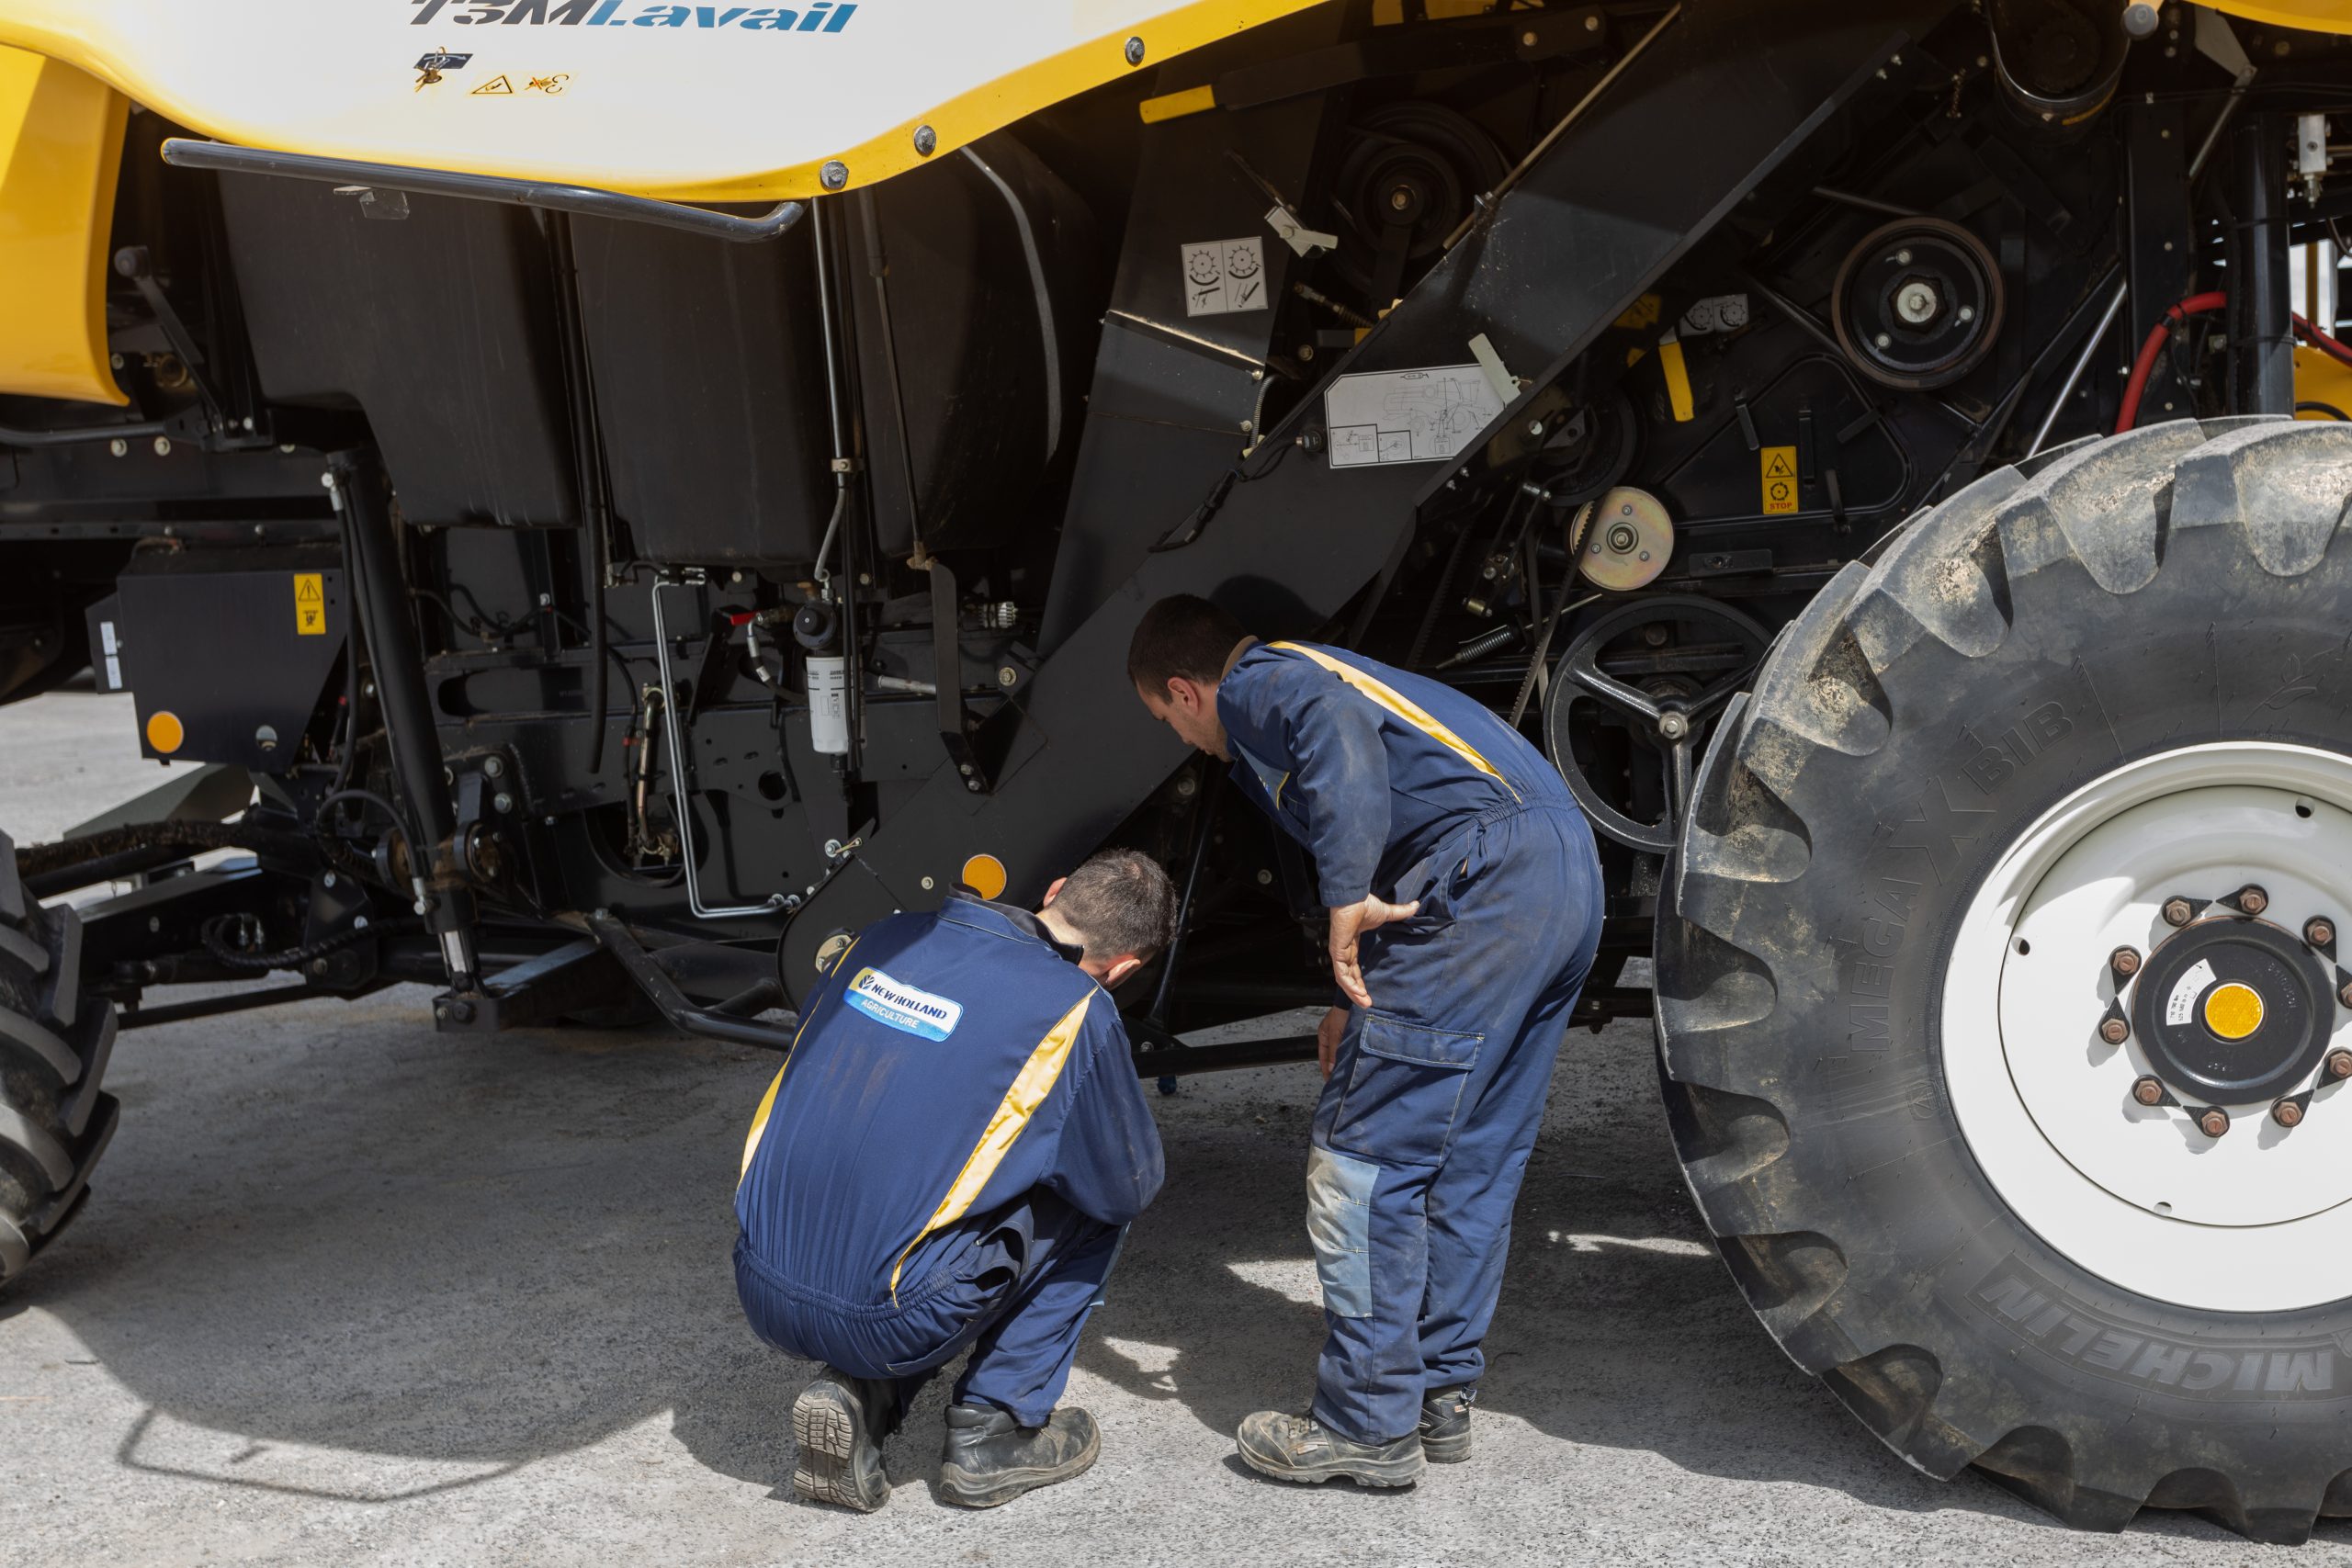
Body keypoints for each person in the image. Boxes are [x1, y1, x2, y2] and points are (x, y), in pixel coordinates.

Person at [1128, 593, 1602, 1489]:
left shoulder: (1264, 682)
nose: (1183, 740)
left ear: (1185, 691)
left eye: (1167, 720)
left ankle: (1364, 1421)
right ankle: (1436, 1393)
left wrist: (1347, 891)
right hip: (1559, 874)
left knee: (1362, 1161)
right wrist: (1349, 989)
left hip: (1480, 879)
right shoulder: (1339, 677)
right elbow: (1386, 814)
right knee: (1472, 1153)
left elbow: (1332, 728)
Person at [732, 848, 1177, 1512]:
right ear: (1124, 969)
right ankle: (994, 1429)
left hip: (759, 1274)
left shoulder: (884, 938)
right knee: (1092, 1203)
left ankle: (864, 1393)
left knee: (909, 1195)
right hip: (887, 1315)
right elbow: (1127, 1183)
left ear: (1055, 889)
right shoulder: (1076, 1008)